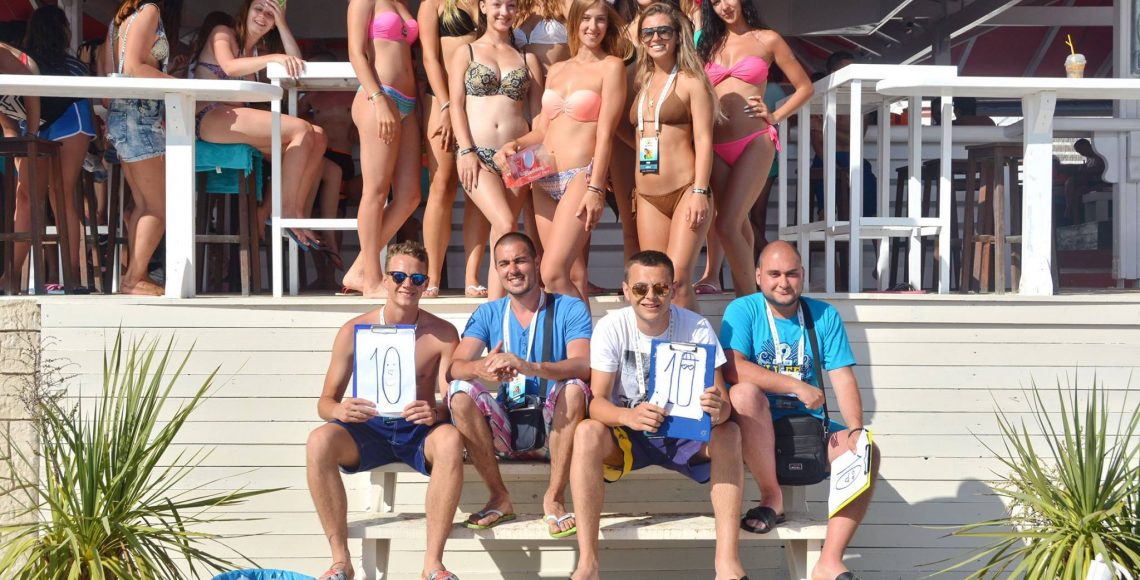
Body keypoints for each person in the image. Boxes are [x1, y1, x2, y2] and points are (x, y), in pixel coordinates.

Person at [569, 250, 744, 580]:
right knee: (587, 432)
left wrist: (717, 410)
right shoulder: (611, 326)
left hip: (684, 433)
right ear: (626, 290)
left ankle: (727, 564)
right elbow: (597, 403)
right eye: (640, 288)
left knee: (730, 433)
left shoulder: (696, 326)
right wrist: (628, 417)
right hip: (628, 436)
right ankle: (588, 563)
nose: (650, 296)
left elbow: (723, 405)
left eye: (660, 288)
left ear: (673, 289)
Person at [720, 240, 880, 580]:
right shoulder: (743, 310)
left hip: (809, 428)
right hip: (756, 427)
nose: (783, 282)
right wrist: (794, 385)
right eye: (774, 274)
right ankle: (771, 496)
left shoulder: (823, 315)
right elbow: (733, 368)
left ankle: (829, 561)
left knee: (867, 451)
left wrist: (855, 428)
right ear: (759, 276)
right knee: (744, 393)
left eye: (791, 274)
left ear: (803, 275)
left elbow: (842, 377)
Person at [306, 240, 464, 580]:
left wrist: (435, 412)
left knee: (451, 440)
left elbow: (454, 401)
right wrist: (341, 411)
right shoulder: (353, 330)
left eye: (417, 278)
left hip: (417, 429)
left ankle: (432, 564)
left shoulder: (443, 333)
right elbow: (325, 402)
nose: (408, 284)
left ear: (426, 283)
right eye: (399, 276)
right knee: (319, 441)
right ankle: (340, 561)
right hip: (369, 427)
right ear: (384, 279)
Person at [447, 232, 592, 536]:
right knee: (459, 391)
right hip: (508, 427)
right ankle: (499, 497)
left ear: (536, 262)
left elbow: (583, 364)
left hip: (556, 426)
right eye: (504, 263)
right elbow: (455, 367)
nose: (512, 269)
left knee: (575, 388)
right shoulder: (489, 312)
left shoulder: (569, 307)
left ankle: (554, 497)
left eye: (520, 260)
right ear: (496, 270)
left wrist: (531, 367)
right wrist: (480, 368)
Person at [495, 0, 627, 305]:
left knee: (552, 272)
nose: (593, 27)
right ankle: (577, 336)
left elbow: (606, 133)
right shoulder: (556, 70)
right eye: (586, 19)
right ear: (575, 22)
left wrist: (596, 188)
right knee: (572, 274)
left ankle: (580, 335)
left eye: (600, 20)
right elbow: (543, 128)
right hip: (543, 177)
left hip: (580, 177)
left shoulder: (611, 67)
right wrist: (515, 144)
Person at [189, 1, 330, 251]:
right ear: (246, 10)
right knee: (302, 129)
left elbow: (296, 65)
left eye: (270, 13)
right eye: (258, 9)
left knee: (317, 138)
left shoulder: (256, 52)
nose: (263, 16)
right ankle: (286, 213)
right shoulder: (223, 32)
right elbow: (230, 67)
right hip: (209, 117)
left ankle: (282, 212)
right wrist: (274, 57)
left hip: (235, 122)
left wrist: (282, 23)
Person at [693, 2, 812, 298]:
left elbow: (805, 87)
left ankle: (747, 301)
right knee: (739, 223)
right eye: (715, 2)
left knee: (726, 223)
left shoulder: (767, 39)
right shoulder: (708, 43)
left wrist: (776, 115)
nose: (724, 6)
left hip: (754, 141)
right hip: (715, 145)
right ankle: (748, 298)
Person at [449, 0, 544, 299]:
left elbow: (539, 118)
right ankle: (500, 306)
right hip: (478, 153)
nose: (504, 12)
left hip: (520, 157)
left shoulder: (528, 58)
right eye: (497, 4)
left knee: (502, 232)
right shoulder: (466, 52)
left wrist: (534, 155)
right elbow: (456, 106)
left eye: (511, 5)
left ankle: (496, 304)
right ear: (483, 7)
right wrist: (466, 151)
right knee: (505, 223)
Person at [627, 2, 716, 311]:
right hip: (648, 197)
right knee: (657, 283)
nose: (656, 37)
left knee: (676, 282)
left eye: (664, 31)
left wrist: (700, 191)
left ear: (678, 35)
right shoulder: (642, 81)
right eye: (648, 32)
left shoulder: (692, 81)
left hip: (685, 191)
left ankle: (696, 341)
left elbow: (704, 140)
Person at [0, 8, 94, 294]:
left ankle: (69, 278)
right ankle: (12, 277)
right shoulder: (72, 64)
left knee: (54, 194)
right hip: (41, 118)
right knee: (34, 196)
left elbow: (28, 90)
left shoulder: (17, 59)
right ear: (64, 31)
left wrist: (24, 133)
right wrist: (16, 132)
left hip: (66, 113)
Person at [341, 0, 425, 298]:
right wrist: (378, 99)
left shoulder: (400, 4)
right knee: (375, 192)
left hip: (407, 102)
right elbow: (356, 53)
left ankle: (359, 269)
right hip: (379, 96)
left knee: (410, 196)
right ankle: (372, 280)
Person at [418, 0, 493, 298]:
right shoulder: (433, 5)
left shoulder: (490, 3)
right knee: (443, 185)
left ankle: (471, 277)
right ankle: (432, 277)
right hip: (442, 101)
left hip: (481, 103)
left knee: (478, 187)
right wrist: (447, 104)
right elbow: (429, 58)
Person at [102, 0, 174, 296]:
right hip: (140, 115)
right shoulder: (149, 11)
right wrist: (175, 82)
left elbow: (110, 72)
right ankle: (133, 278)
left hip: (123, 114)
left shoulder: (120, 20)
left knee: (143, 204)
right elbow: (134, 67)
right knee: (160, 205)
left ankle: (135, 276)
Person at [1064, 138, 1107, 224]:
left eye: (1081, 150)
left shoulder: (1100, 155)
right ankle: (1075, 220)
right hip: (1089, 183)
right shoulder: (1089, 159)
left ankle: (1070, 210)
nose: (1081, 153)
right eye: (1079, 152)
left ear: (1087, 146)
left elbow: (1101, 170)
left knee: (1072, 184)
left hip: (1100, 183)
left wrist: (1086, 170)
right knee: (1075, 192)